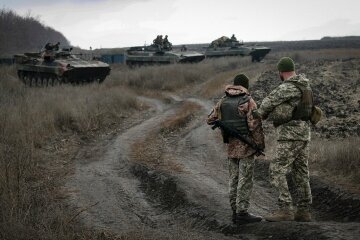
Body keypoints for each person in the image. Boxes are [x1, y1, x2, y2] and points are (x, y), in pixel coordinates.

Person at [252, 57, 313, 222]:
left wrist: (256, 114)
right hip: (304, 134)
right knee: (301, 172)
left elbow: (268, 103)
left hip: (290, 135)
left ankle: (285, 209)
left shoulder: (287, 87)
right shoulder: (305, 85)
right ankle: (304, 211)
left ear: (281, 72)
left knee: (276, 170)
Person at [207, 74, 265, 225]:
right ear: (245, 85)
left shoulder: (223, 100)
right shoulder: (248, 100)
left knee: (233, 179)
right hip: (246, 147)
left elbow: (210, 119)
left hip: (231, 147)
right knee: (245, 179)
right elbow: (255, 126)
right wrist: (259, 145)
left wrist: (223, 122)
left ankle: (235, 211)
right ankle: (242, 213)